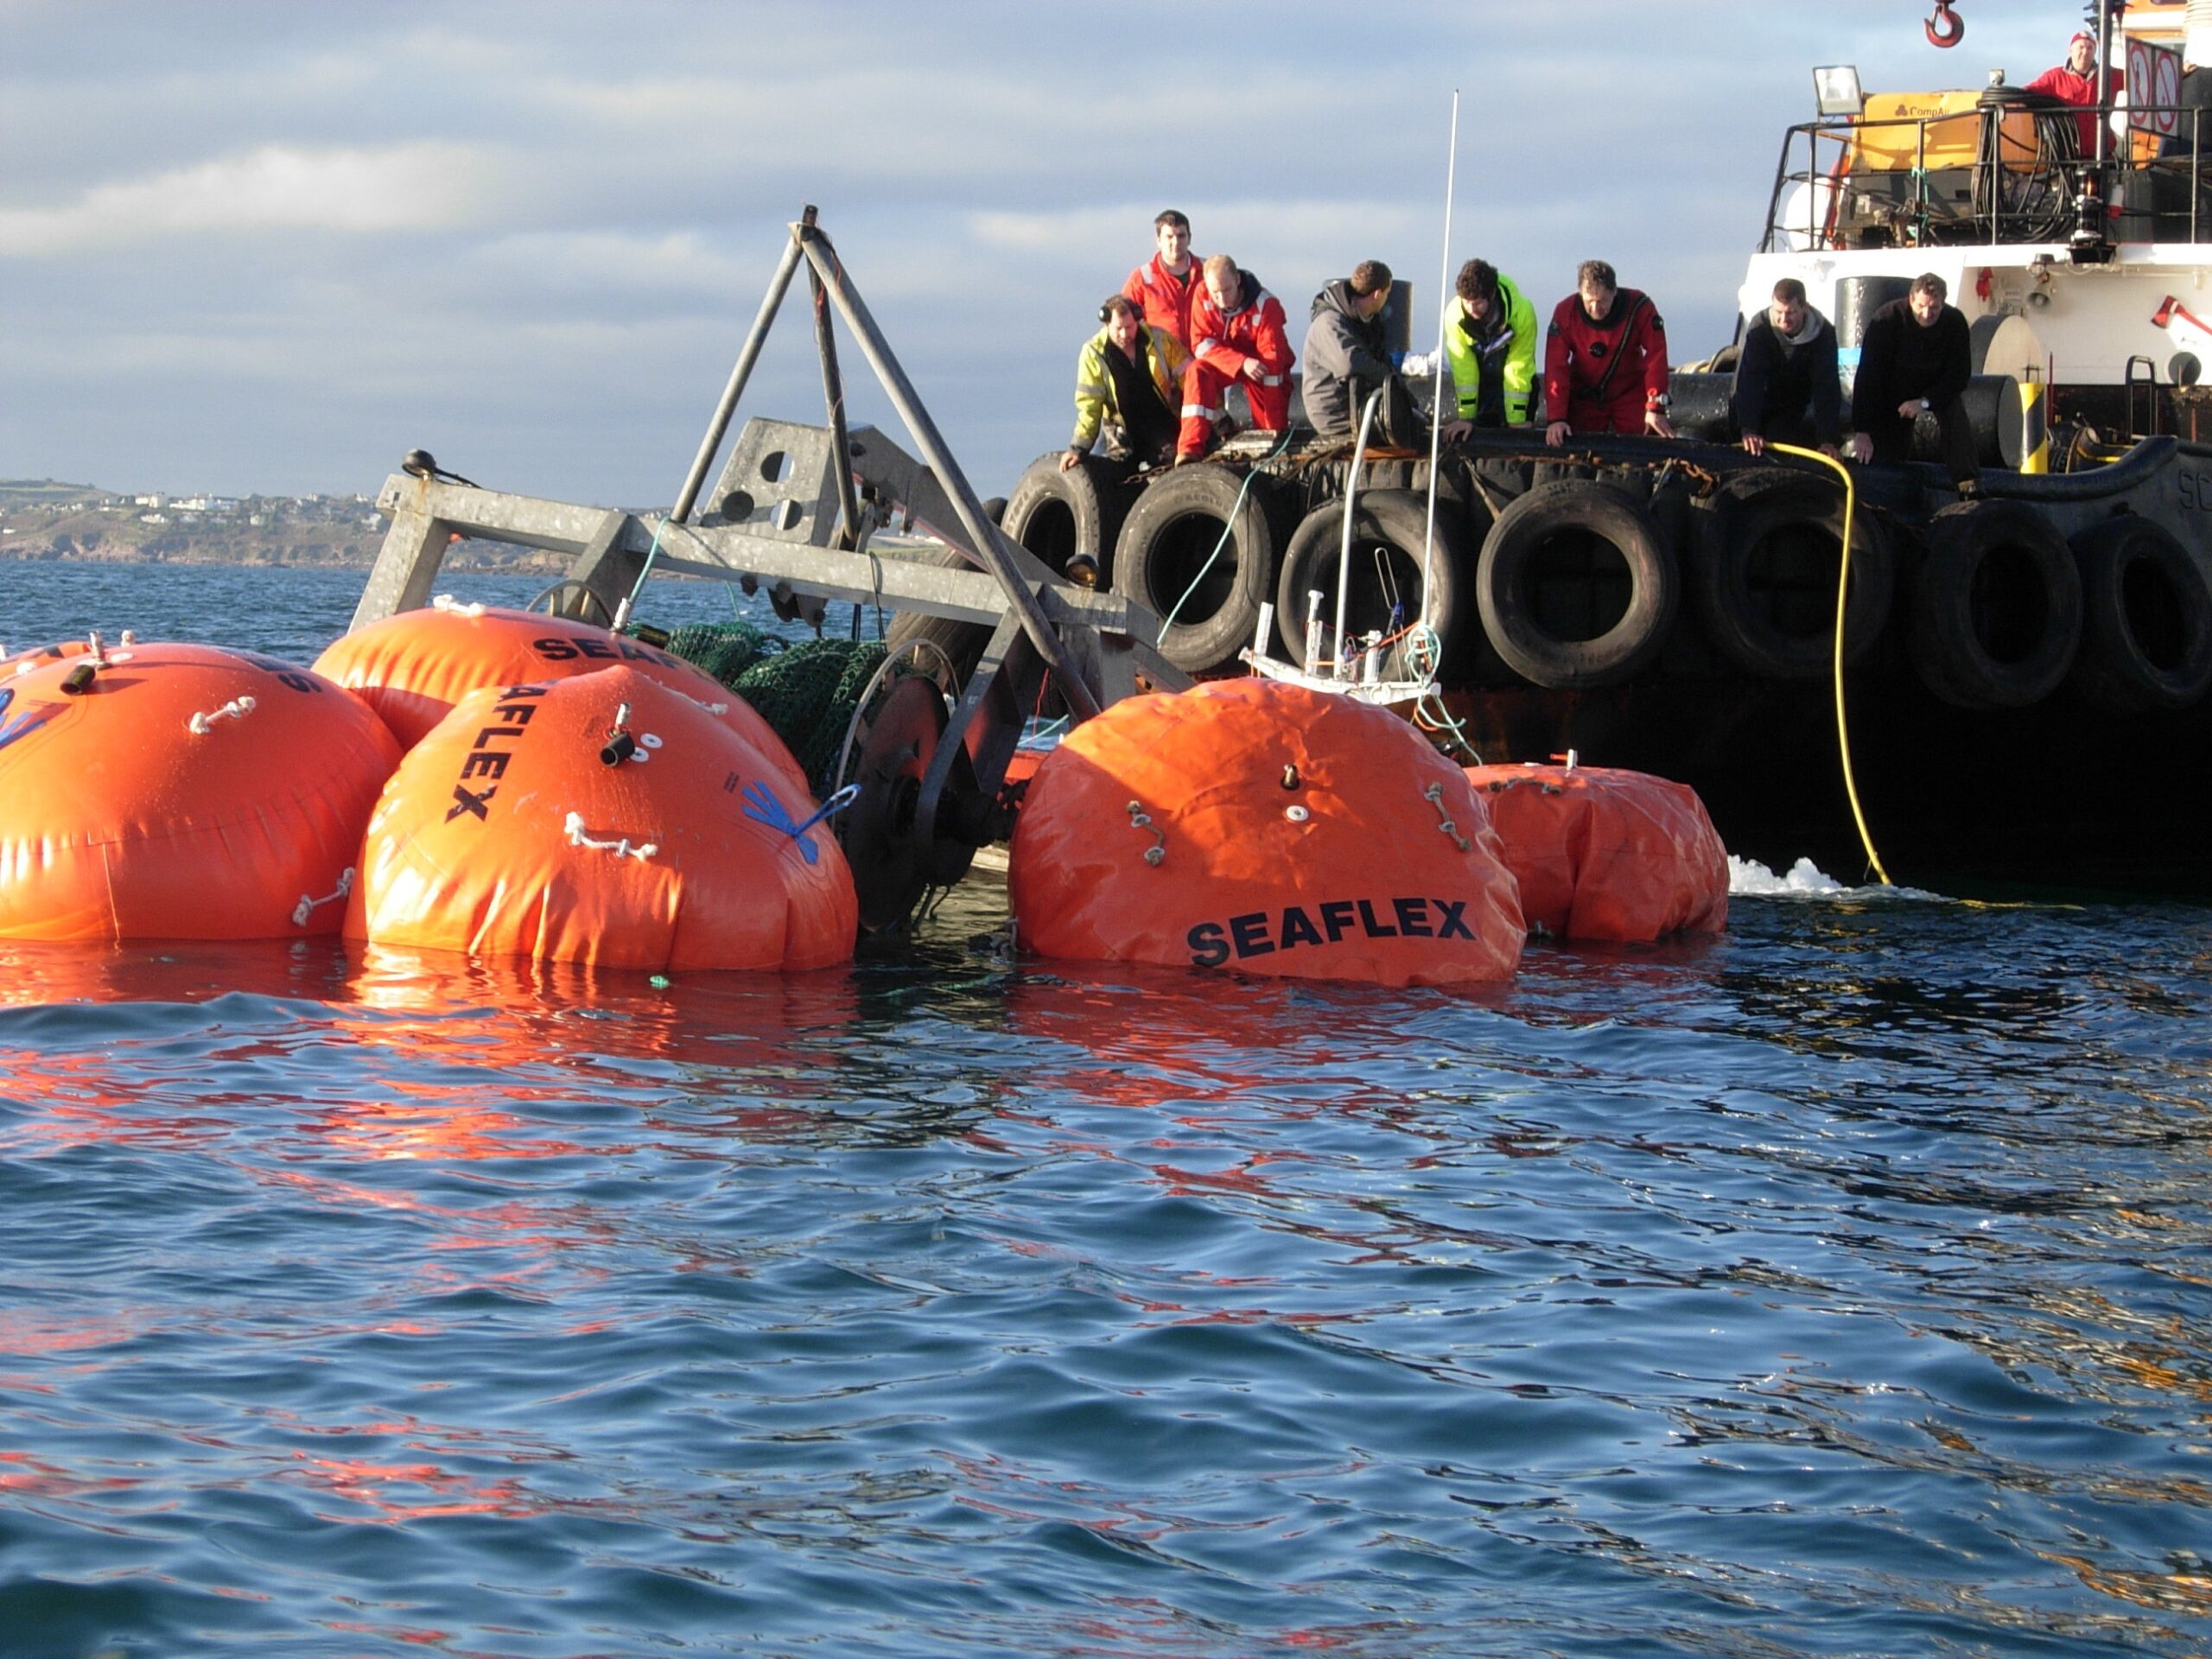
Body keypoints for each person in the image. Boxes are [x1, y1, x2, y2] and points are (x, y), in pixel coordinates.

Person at [1848, 271, 1977, 486]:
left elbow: (1959, 375)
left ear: (1943, 304)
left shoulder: (1954, 323)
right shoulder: (1887, 319)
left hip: (1934, 384)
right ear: (1911, 299)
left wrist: (1925, 401)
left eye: (1934, 308)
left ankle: (1968, 481)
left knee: (1953, 410)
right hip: (1892, 387)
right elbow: (1868, 376)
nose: (1927, 314)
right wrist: (1862, 430)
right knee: (1887, 449)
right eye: (1921, 307)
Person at [1543, 260, 1674, 445]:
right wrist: (1557, 419)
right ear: (1580, 293)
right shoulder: (1566, 312)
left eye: (1602, 301)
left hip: (1629, 393)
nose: (1595, 309)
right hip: (1585, 396)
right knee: (1578, 446)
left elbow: (1656, 355)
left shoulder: (1639, 308)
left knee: (1643, 444)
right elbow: (1556, 365)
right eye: (1589, 301)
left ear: (1614, 292)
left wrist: (1655, 407)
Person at [1177, 255, 1294, 461]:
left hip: (1262, 367)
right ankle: (1189, 450)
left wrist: (1275, 429)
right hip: (1227, 361)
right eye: (1216, 293)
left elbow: (1274, 366)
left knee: (1269, 425)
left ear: (1238, 280)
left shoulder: (1267, 306)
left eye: (1227, 290)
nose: (1222, 299)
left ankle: (1269, 446)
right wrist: (1239, 362)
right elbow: (1201, 344)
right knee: (1197, 371)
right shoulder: (1202, 295)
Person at [1065, 294, 1188, 473]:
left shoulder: (1160, 340)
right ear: (1106, 324)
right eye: (1118, 328)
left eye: (1130, 327)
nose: (1125, 334)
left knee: (1173, 461)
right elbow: (1089, 407)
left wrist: (1217, 423)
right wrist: (1078, 448)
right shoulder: (1093, 354)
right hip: (1121, 430)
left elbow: (1192, 380)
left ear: (1137, 320)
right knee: (1118, 474)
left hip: (1161, 422)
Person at [1414, 258, 1539, 428]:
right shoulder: (1454, 317)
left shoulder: (1523, 314)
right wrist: (1467, 419)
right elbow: (1464, 369)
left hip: (1515, 383)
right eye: (1466, 302)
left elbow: (1519, 367)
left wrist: (1516, 422)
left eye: (1478, 303)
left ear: (1492, 293)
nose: (1472, 309)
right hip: (1480, 385)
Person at [1732, 277, 1841, 457]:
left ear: (1804, 307)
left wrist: (1827, 440)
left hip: (1792, 403)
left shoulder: (1823, 333)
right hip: (1760, 396)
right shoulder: (1760, 328)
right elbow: (1751, 379)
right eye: (1778, 312)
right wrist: (1748, 429)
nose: (1783, 319)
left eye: (1790, 313)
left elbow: (1826, 386)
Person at [2025, 30, 2123, 159]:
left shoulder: (2109, 75)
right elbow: (2029, 92)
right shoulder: (2055, 77)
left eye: (2090, 48)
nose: (2085, 52)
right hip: (2067, 157)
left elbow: (2136, 79)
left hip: (2104, 156)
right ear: (2070, 51)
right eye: (2081, 47)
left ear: (2095, 52)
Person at [1122, 210, 1201, 352]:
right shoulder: (1141, 279)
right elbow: (1121, 321)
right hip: (1160, 367)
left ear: (1190, 238)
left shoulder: (1209, 273)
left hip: (1204, 364)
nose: (1176, 242)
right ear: (1158, 240)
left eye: (1181, 236)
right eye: (1169, 237)